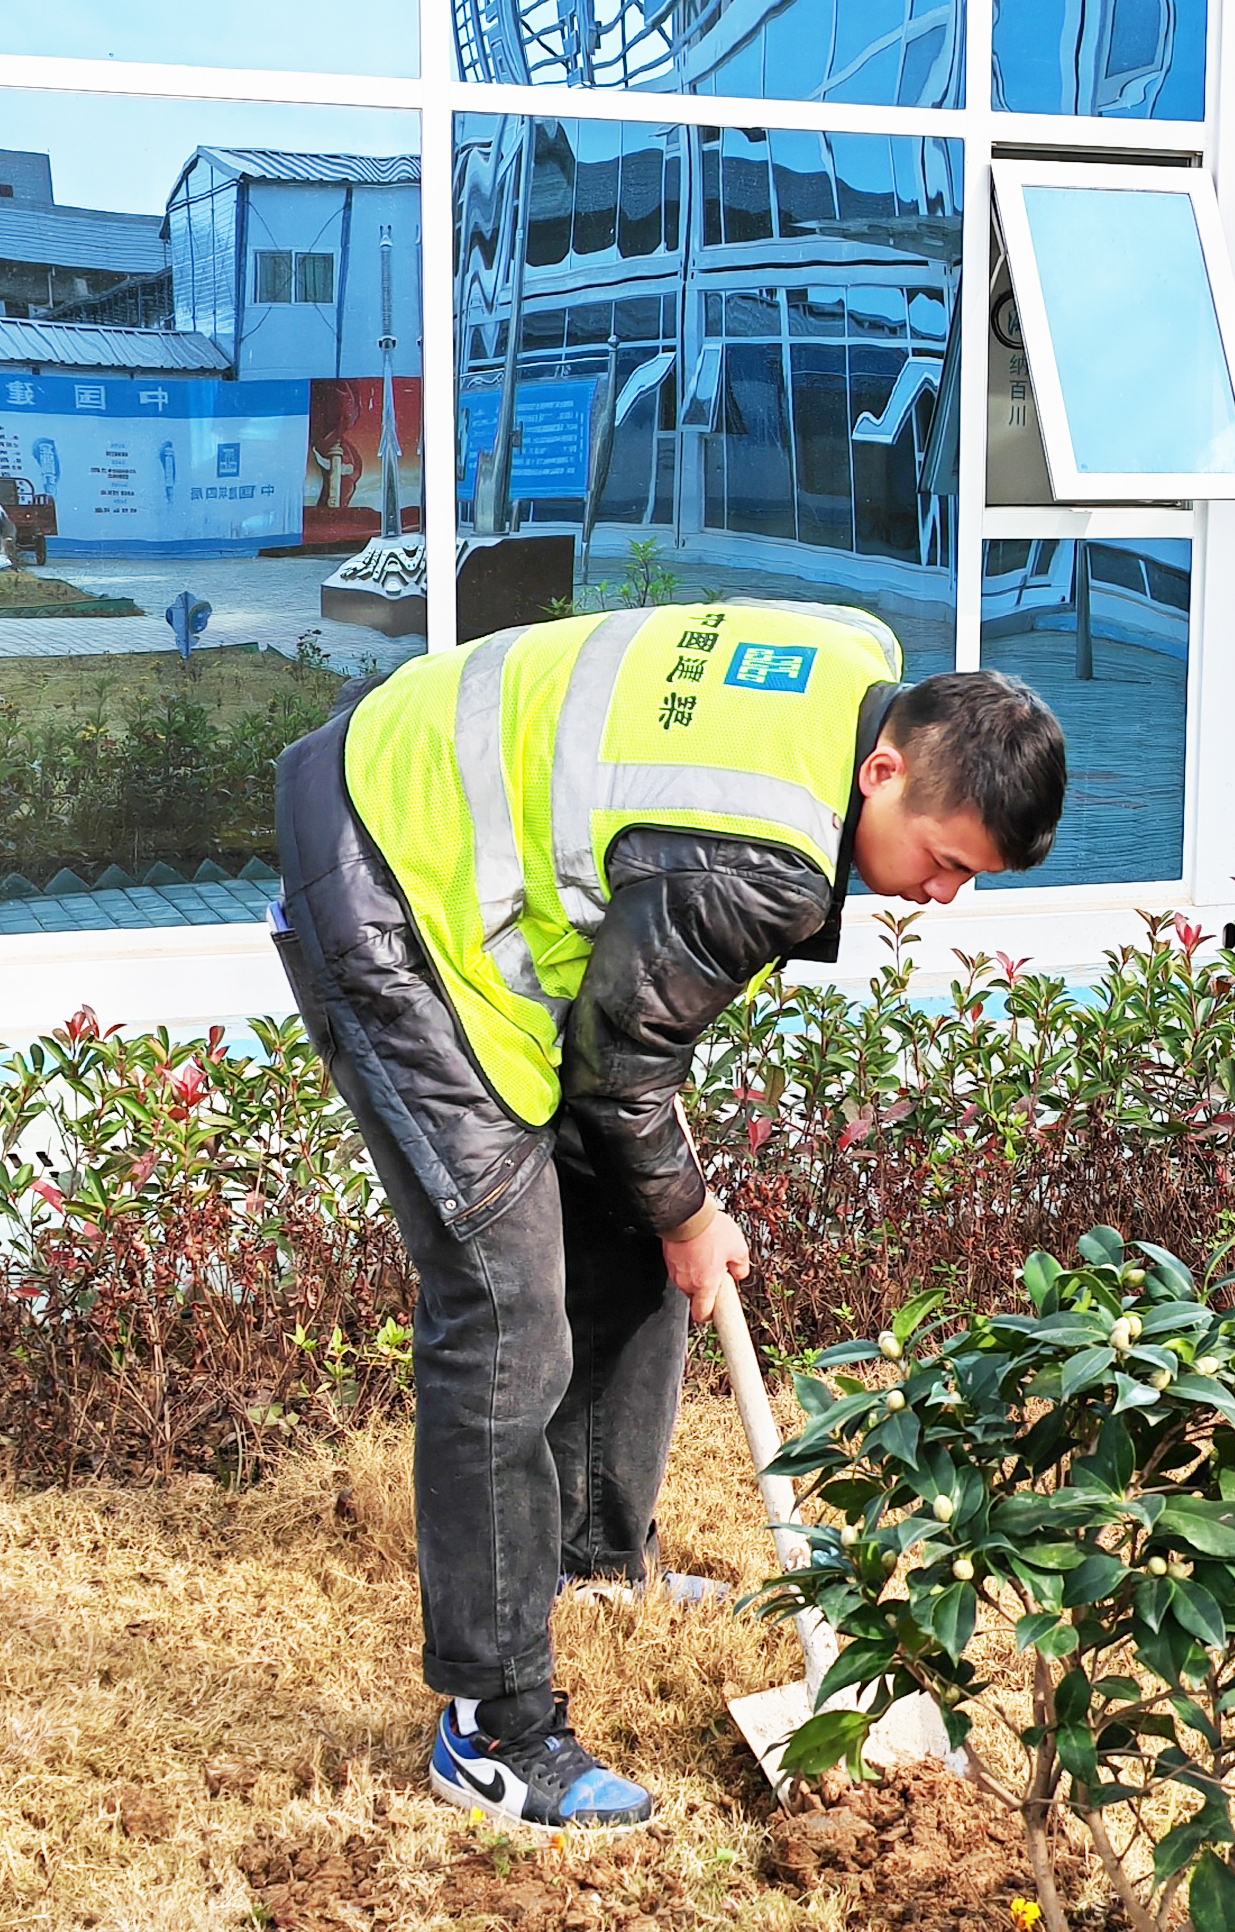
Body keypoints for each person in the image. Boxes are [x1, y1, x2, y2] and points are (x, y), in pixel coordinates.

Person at [270, 603, 1066, 1833]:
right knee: (503, 1293)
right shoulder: (767, 857)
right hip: (387, 861)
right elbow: (618, 1062)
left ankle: (591, 1559)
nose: (944, 896)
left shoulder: (861, 661)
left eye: (971, 877)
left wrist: (670, 1201)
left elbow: (628, 1040)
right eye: (944, 859)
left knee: (634, 1209)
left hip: (436, 813)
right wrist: (691, 1210)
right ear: (883, 768)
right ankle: (491, 1728)